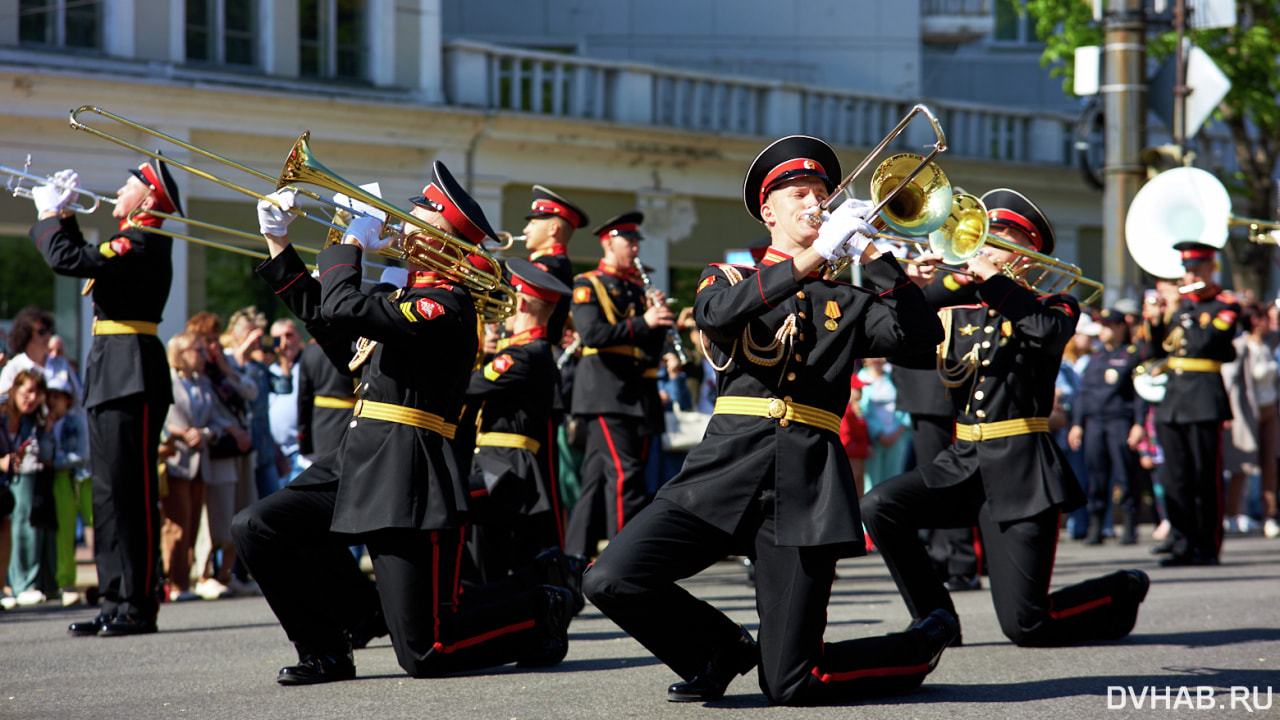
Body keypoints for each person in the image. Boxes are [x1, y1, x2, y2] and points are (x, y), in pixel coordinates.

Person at [584, 135, 957, 706]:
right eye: (801, 194)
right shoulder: (729, 276)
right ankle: (717, 648)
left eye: (823, 195)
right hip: (726, 467)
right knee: (611, 577)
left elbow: (919, 338)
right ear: (768, 211)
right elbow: (716, 315)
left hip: (806, 481)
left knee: (790, 684)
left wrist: (876, 258)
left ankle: (916, 644)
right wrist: (810, 258)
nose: (816, 204)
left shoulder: (846, 299)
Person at [233, 161, 575, 685]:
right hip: (358, 454)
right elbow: (333, 326)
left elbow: (345, 304)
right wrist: (278, 244)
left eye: (415, 219)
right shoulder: (402, 297)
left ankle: (537, 608)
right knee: (258, 526)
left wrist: (349, 243)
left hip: (407, 467)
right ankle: (326, 650)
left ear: (443, 241)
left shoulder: (446, 305)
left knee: (426, 650)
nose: (401, 224)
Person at [862, 188, 1150, 650]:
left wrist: (993, 280)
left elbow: (1044, 332)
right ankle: (936, 620)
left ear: (1027, 251)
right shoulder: (959, 309)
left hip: (1021, 468)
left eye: (1002, 236)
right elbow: (893, 340)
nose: (986, 242)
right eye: (986, 233)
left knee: (1027, 626)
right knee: (880, 506)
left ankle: (1122, 587)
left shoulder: (1056, 304)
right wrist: (906, 283)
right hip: (963, 460)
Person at [29, 158, 181, 637]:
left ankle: (139, 602)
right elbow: (82, 256)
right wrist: (67, 219)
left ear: (149, 198)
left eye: (128, 185)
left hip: (131, 366)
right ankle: (115, 598)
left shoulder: (142, 240)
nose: (118, 190)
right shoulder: (131, 239)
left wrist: (49, 219)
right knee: (108, 493)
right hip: (113, 366)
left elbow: (70, 260)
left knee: (132, 494)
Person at [563, 212, 673, 558]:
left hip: (633, 391)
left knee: (595, 483)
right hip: (604, 391)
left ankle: (573, 560)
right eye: (630, 242)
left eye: (638, 241)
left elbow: (647, 349)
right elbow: (593, 334)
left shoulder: (636, 288)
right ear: (609, 242)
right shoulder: (588, 283)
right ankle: (625, 559)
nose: (637, 248)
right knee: (626, 475)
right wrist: (644, 320)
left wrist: (660, 325)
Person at [463, 258, 572, 585]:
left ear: (521, 302)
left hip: (504, 465)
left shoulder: (523, 355)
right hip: (503, 462)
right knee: (496, 556)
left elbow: (468, 388)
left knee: (472, 537)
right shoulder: (532, 351)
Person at [1146, 242, 1239, 565]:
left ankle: (1206, 546)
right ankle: (1182, 542)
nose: (1190, 275)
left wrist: (1180, 310)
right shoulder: (1181, 306)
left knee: (1205, 477)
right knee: (1175, 477)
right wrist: (1157, 320)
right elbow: (1155, 353)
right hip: (1172, 399)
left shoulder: (1224, 305)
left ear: (1211, 268)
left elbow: (1204, 344)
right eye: (1187, 269)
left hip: (1203, 397)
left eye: (1197, 269)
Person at [185, 312, 257, 600]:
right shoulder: (196, 374)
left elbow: (250, 393)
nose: (212, 347)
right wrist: (231, 429)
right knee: (214, 516)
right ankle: (204, 575)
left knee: (240, 509)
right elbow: (207, 410)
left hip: (239, 447)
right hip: (216, 449)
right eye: (207, 341)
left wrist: (228, 367)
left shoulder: (222, 367)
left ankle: (227, 575)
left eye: (216, 340)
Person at [1068, 307, 1148, 545]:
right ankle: (1097, 526)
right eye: (1101, 326)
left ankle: (1130, 525)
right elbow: (1083, 395)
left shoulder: (1132, 356)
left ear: (1121, 327)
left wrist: (1139, 423)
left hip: (1120, 422)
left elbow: (1140, 394)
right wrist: (1077, 424)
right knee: (1096, 475)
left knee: (1126, 474)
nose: (1103, 331)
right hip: (1095, 423)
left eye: (1108, 326)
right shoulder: (1093, 358)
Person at [161, 331, 218, 602]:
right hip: (177, 461)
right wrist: (183, 433)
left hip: (200, 461)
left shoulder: (204, 383)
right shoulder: (168, 381)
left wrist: (205, 433)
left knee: (193, 523)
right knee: (177, 524)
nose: (203, 355)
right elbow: (164, 420)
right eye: (197, 350)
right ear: (181, 353)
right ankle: (175, 582)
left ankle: (185, 580)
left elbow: (216, 420)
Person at [1220, 303, 1278, 538]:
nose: (1270, 323)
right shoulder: (1240, 346)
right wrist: (1225, 411)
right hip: (1246, 412)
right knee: (1241, 466)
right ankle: (1232, 515)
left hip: (1271, 410)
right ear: (1254, 321)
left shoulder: (1270, 342)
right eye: (1264, 318)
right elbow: (1229, 379)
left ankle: (1270, 516)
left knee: (1271, 464)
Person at [3, 370, 56, 606]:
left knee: (18, 525)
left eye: (38, 394)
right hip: (7, 477)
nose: (32, 398)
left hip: (17, 477)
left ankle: (19, 585)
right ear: (15, 388)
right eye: (28, 391)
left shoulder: (32, 419)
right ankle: (19, 584)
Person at [520, 184, 588, 341]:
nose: (525, 230)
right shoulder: (553, 262)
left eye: (533, 223)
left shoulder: (552, 264)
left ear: (552, 229)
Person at [46, 375, 91, 607]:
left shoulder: (76, 420)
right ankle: (67, 582)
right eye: (50, 397)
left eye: (58, 397)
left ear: (67, 399)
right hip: (61, 482)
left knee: (96, 525)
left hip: (81, 479)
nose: (53, 402)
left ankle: (106, 576)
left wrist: (55, 460)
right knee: (64, 534)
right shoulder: (45, 423)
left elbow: (82, 454)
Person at [0, 307, 83, 399]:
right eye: (42, 332)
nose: (48, 336)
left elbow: (79, 399)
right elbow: (4, 405)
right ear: (26, 335)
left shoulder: (61, 363)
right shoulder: (14, 367)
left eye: (49, 331)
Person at [267, 319, 305, 482]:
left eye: (289, 335)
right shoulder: (269, 370)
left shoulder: (307, 366)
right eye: (277, 337)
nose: (284, 342)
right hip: (274, 452)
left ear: (299, 337)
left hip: (301, 452)